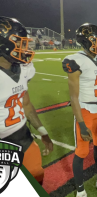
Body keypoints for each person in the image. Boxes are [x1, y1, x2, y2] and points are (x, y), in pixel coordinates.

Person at [62, 23, 97, 197]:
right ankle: (80, 192)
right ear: (87, 41)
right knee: (81, 151)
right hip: (85, 111)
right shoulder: (75, 61)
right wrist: (81, 123)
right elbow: (73, 98)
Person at [0, 17, 53, 184]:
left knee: (36, 177)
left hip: (23, 135)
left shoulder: (23, 68)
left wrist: (43, 132)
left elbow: (26, 104)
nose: (25, 48)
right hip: (3, 142)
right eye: (20, 43)